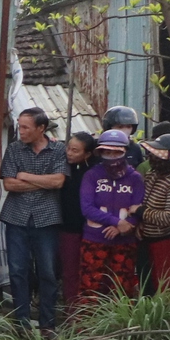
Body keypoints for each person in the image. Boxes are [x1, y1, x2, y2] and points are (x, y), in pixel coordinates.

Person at [0, 107, 67, 333]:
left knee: (47, 271)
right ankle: (22, 322)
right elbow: (9, 184)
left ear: (41, 128)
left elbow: (58, 182)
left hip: (47, 219)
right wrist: (43, 182)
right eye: (20, 125)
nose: (21, 131)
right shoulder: (14, 149)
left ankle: (48, 323)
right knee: (18, 271)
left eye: (26, 127)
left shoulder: (58, 150)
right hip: (16, 217)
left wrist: (26, 176)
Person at [79, 128, 146, 298]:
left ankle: (122, 325)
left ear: (125, 152)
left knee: (122, 289)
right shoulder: (92, 175)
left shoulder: (135, 178)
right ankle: (87, 324)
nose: (111, 156)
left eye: (116, 152)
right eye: (106, 152)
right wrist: (116, 222)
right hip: (94, 239)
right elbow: (87, 207)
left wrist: (124, 226)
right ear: (100, 152)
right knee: (90, 287)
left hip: (125, 241)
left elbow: (138, 208)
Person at [57, 130, 96, 305]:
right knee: (69, 272)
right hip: (68, 227)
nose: (69, 153)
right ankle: (71, 312)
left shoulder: (96, 171)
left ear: (87, 153)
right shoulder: (61, 166)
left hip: (92, 229)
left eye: (75, 150)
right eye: (69, 148)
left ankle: (90, 312)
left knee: (91, 271)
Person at [139, 133, 170, 292]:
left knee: (164, 285)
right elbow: (142, 199)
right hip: (144, 239)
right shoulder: (152, 175)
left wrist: (141, 212)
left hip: (164, 241)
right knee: (145, 284)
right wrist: (139, 223)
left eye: (157, 154)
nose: (152, 157)